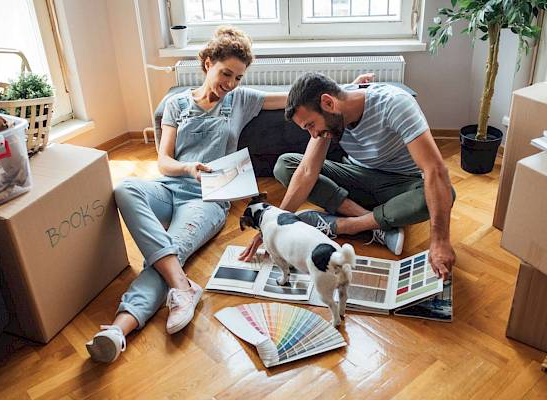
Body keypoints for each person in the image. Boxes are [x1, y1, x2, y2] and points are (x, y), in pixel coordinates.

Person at [84, 26, 288, 363]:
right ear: (208, 63)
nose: (231, 83)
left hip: (209, 199)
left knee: (169, 253)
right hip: (170, 188)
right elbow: (163, 162)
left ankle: (118, 330)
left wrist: (352, 88)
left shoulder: (242, 100)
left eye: (238, 77)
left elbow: (294, 96)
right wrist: (188, 168)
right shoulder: (177, 105)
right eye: (226, 73)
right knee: (125, 188)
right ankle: (183, 287)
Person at [240, 72, 455, 280]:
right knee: (285, 165)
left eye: (311, 125)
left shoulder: (395, 104)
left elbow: (435, 170)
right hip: (356, 178)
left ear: (328, 103)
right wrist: (274, 227)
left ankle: (346, 225)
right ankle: (376, 223)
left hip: (400, 184)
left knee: (440, 196)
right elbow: (307, 171)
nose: (313, 134)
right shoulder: (331, 117)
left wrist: (440, 240)